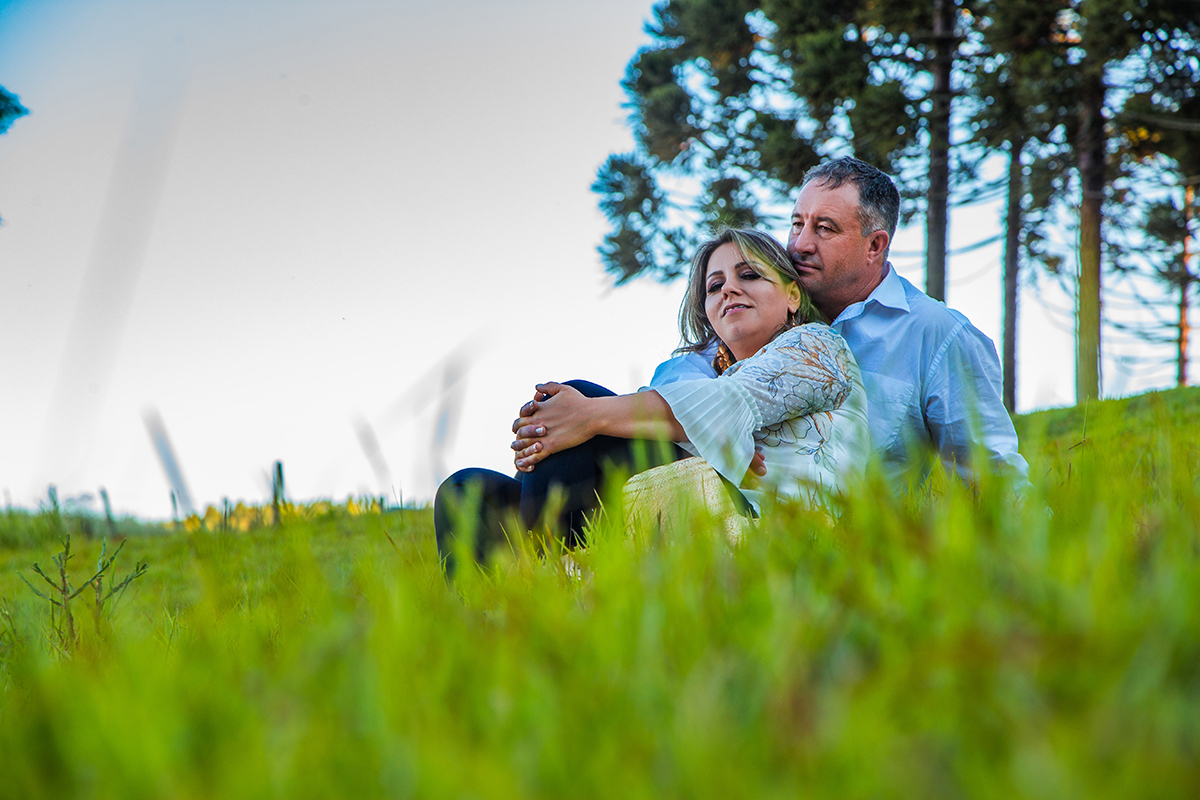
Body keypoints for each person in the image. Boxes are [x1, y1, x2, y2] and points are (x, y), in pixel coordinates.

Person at [543, 157, 1029, 487]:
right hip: (730, 498)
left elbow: (991, 470)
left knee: (588, 410)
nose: (800, 244)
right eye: (797, 223)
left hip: (833, 530)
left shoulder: (936, 334)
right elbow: (682, 372)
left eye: (825, 228)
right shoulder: (763, 312)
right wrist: (705, 430)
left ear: (875, 245)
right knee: (477, 485)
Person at [435, 228, 869, 570]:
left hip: (776, 526)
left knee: (584, 400)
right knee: (467, 489)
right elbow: (698, 410)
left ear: (793, 295)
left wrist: (586, 415)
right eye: (714, 286)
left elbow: (730, 403)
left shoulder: (819, 347)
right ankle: (477, 623)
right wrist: (551, 434)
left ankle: (550, 587)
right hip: (677, 500)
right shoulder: (700, 376)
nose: (728, 291)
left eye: (749, 275)